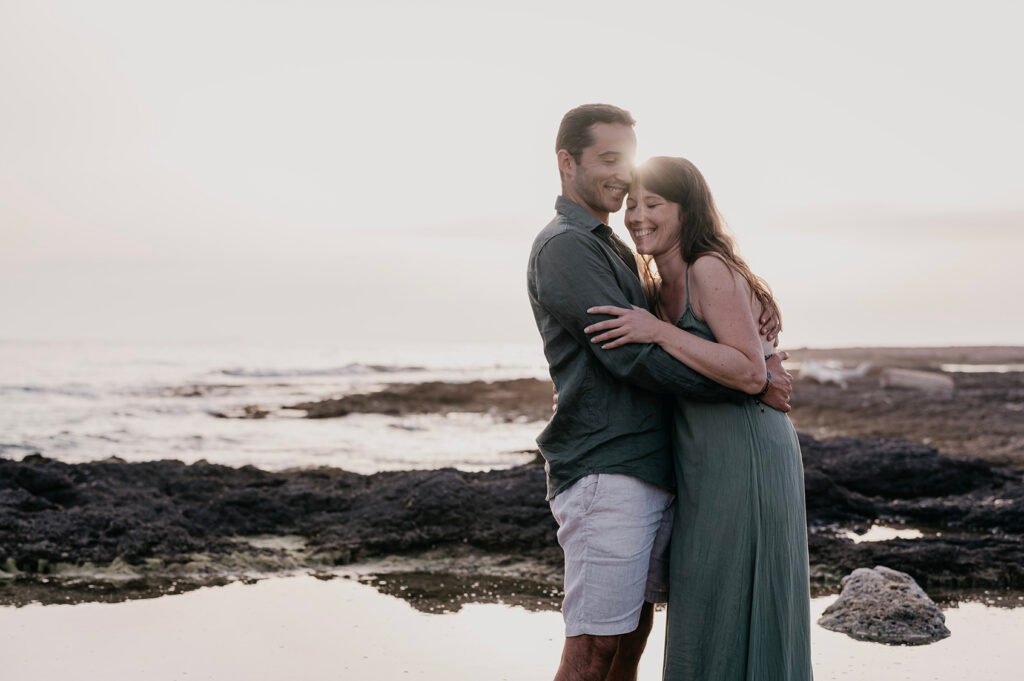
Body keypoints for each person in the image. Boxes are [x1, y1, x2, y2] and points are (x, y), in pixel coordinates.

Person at [526, 104, 793, 681]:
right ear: (566, 162)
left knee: (630, 639)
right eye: (607, 160)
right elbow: (634, 357)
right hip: (606, 468)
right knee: (595, 643)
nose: (623, 178)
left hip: (654, 467)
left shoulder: (616, 248)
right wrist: (750, 383)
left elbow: (687, 333)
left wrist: (756, 358)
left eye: (627, 160)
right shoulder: (567, 248)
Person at [584, 156, 813, 680]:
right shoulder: (653, 279)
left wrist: (659, 331)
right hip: (700, 459)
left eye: (655, 204)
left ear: (687, 212)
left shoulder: (706, 267)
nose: (639, 215)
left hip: (747, 451)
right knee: (705, 592)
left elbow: (750, 372)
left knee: (737, 593)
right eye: (633, 204)